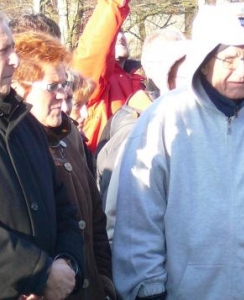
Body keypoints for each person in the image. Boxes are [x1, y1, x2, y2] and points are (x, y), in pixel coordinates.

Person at [0, 5, 84, 300]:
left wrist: (66, 264)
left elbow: (63, 208)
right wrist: (37, 273)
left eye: (14, 48)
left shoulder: (25, 123)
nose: (14, 59)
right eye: (2, 51)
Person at [112, 6, 244, 300]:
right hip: (187, 292)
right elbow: (139, 216)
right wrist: (147, 289)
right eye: (231, 59)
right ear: (205, 60)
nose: (242, 70)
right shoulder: (167, 117)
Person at [12, 30, 115, 300]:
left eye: (64, 84)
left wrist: (103, 282)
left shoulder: (70, 135)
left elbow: (94, 217)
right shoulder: (8, 147)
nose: (63, 94)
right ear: (21, 87)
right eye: (52, 86)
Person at [96, 28, 188, 210]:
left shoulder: (187, 118)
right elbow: (117, 209)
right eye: (172, 62)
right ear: (151, 68)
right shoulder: (134, 128)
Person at [71, 0, 145, 153]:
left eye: (122, 32)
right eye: (114, 33)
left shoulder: (142, 81)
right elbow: (93, 50)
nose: (120, 36)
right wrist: (116, 4)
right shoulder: (96, 83)